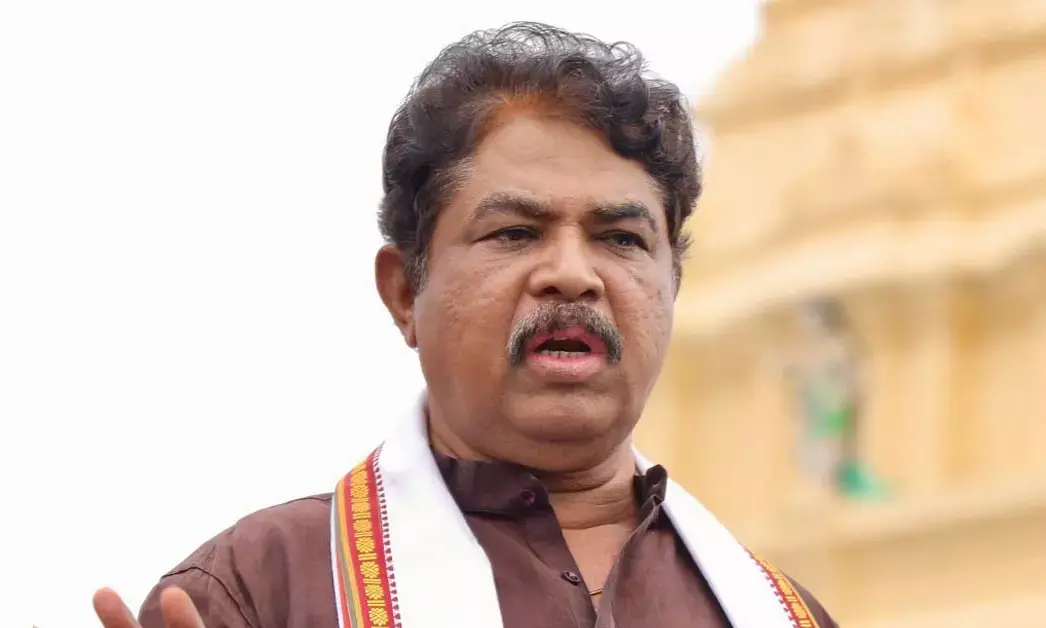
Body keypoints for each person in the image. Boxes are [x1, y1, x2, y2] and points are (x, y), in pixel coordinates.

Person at [91, 22, 839, 628]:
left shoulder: (776, 613)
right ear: (404, 292)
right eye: (515, 232)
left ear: (673, 287)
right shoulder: (260, 592)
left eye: (620, 238)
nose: (572, 273)